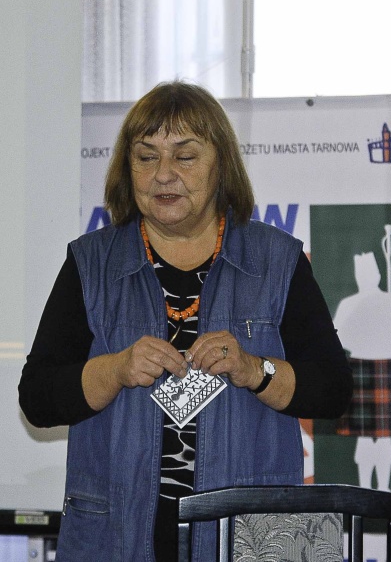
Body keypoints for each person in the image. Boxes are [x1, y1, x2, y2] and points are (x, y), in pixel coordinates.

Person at [17, 81, 353, 561]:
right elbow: (37, 398)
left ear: (221, 165)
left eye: (185, 156)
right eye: (146, 157)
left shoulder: (277, 260)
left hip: (252, 535)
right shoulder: (90, 263)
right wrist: (114, 370)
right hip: (117, 533)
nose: (163, 174)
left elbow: (333, 390)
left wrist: (254, 370)